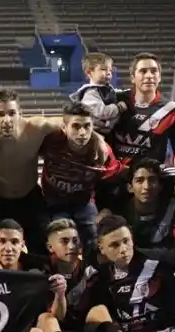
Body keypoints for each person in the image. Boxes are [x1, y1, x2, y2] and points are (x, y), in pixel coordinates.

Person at [0, 89, 75, 254]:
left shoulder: (37, 128)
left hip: (30, 198)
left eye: (12, 113)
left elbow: (72, 126)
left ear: (20, 113)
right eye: (0, 114)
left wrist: (97, 140)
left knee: (42, 248)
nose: (7, 120)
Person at [40, 101, 124, 249]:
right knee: (58, 239)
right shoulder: (50, 141)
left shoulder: (101, 152)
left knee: (94, 237)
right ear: (64, 127)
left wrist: (107, 208)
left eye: (87, 126)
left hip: (84, 201)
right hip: (53, 200)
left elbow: (115, 178)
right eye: (76, 126)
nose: (82, 133)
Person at [111, 52, 175, 168]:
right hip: (115, 176)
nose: (149, 75)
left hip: (149, 180)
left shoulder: (173, 110)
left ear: (159, 77)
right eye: (143, 71)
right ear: (132, 78)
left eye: (154, 71)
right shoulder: (114, 101)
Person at [68, 51, 127, 134]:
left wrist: (128, 92)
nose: (108, 72)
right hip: (97, 132)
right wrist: (119, 108)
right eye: (103, 69)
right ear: (89, 72)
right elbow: (103, 112)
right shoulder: (90, 93)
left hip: (109, 130)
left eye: (110, 70)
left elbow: (114, 93)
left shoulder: (105, 88)